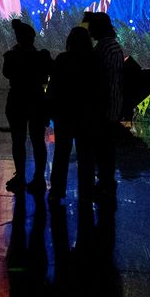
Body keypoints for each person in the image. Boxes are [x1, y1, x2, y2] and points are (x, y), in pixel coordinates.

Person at [47, 26, 99, 202]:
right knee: (87, 155)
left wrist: (50, 110)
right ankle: (87, 190)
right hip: (87, 114)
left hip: (65, 114)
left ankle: (57, 190)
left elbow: (53, 87)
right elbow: (99, 88)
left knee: (61, 153)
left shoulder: (62, 59)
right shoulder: (93, 60)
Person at [2, 20, 53, 195]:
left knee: (18, 140)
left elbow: (7, 72)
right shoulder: (41, 56)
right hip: (36, 100)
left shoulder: (11, 56)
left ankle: (21, 176)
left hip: (17, 100)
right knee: (38, 141)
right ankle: (38, 177)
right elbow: (50, 71)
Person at [86, 12, 124, 200]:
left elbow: (103, 78)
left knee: (104, 145)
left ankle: (106, 182)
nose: (89, 30)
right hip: (110, 101)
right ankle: (105, 180)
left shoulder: (105, 48)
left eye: (91, 26)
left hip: (106, 103)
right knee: (105, 145)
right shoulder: (110, 46)